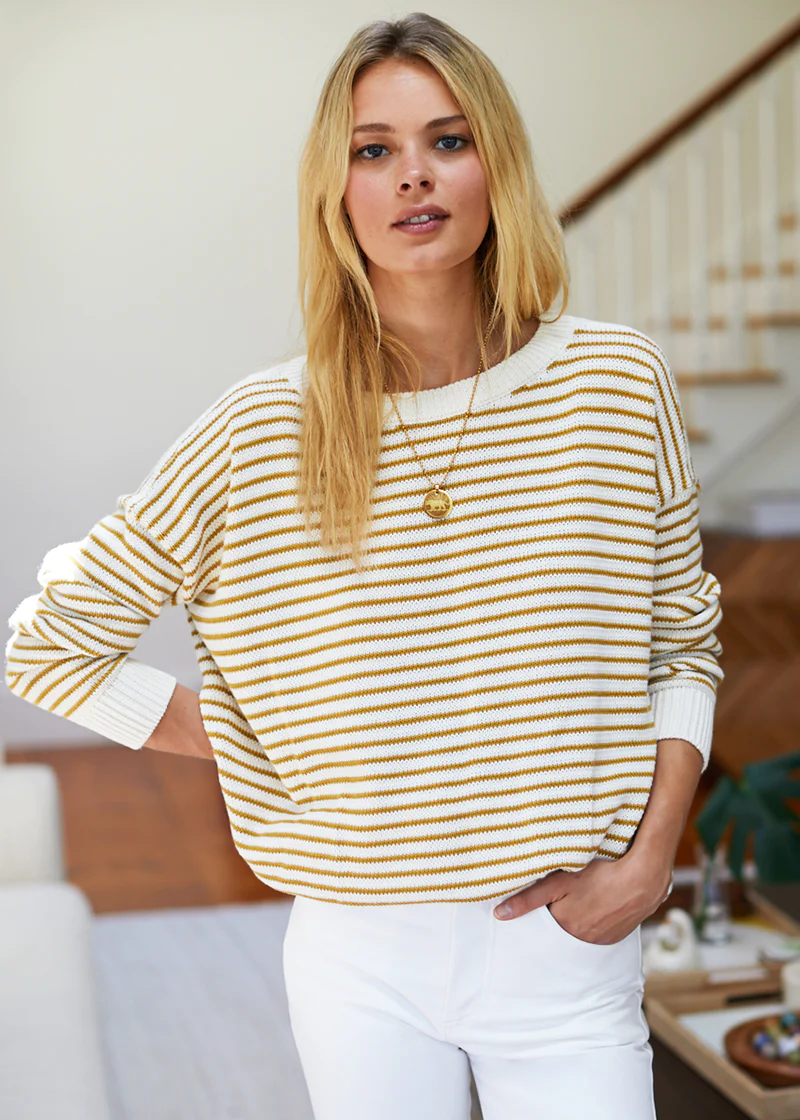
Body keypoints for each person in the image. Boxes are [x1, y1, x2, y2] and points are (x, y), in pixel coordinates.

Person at [5, 12, 723, 1120]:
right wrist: (246, 736)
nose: (412, 177)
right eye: (372, 149)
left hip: (563, 939)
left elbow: (682, 638)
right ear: (334, 191)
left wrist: (648, 859)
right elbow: (46, 643)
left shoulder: (616, 386)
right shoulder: (261, 427)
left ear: (498, 164)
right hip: (355, 956)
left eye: (447, 138)